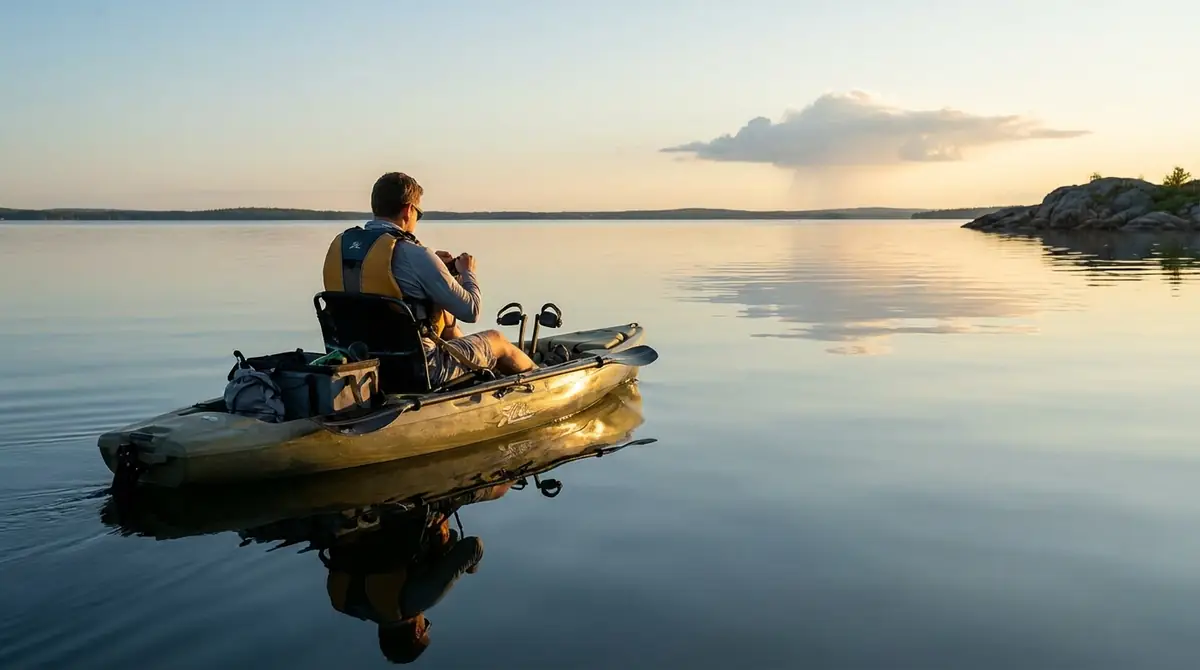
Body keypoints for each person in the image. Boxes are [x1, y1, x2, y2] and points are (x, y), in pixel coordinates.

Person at [322, 171, 535, 387]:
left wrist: (436, 267)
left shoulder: (341, 249)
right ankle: (541, 382)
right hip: (421, 370)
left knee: (447, 322)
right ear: (408, 210)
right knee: (498, 340)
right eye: (419, 213)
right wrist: (468, 272)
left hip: (359, 366)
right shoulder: (416, 254)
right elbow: (472, 310)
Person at [323, 484, 511, 664]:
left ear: (417, 632)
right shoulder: (345, 604)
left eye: (426, 626)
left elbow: (473, 547)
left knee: (499, 491)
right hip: (346, 522)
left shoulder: (413, 603)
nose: (424, 620)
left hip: (399, 512)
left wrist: (472, 568)